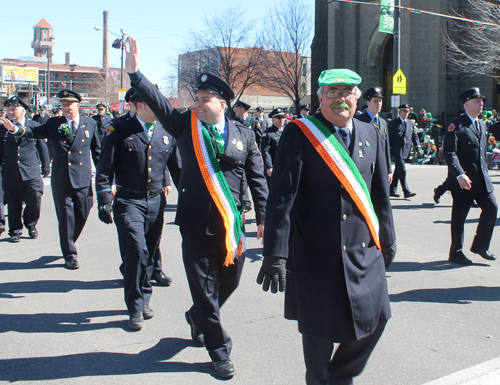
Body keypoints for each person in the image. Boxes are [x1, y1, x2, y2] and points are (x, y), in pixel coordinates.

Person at [125, 37, 268, 378]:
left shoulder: (244, 135)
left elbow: (258, 179)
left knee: (228, 283)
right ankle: (219, 350)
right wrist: (135, 74)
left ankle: (196, 316)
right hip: (194, 225)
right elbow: (159, 103)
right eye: (196, 99)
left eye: (205, 100)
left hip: (231, 226)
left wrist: (265, 217)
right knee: (205, 288)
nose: (198, 104)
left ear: (223, 103)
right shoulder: (184, 126)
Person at [257, 68, 396, 385]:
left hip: (364, 251)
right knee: (319, 336)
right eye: (332, 92)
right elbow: (282, 197)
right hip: (317, 252)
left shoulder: (372, 133)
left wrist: (388, 239)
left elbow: (380, 195)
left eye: (346, 92)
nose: (340, 99)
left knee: (377, 317)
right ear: (319, 97)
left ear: (357, 97)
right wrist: (275, 255)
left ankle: (340, 375)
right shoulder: (300, 132)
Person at [96, 90, 174, 330]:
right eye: (154, 105)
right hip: (128, 200)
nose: (160, 109)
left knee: (149, 252)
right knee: (135, 251)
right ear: (139, 105)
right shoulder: (118, 129)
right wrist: (103, 198)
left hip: (155, 201)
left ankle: (145, 295)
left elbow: (173, 164)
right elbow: (104, 168)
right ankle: (135, 304)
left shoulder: (165, 130)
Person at [0, 90, 101, 269]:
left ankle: (68, 239)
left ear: (78, 105)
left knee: (83, 213)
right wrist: (15, 129)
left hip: (83, 179)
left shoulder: (90, 123)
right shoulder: (54, 123)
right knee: (66, 216)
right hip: (61, 180)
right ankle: (70, 254)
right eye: (63, 105)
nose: (65, 108)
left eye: (69, 104)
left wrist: (105, 176)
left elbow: (97, 151)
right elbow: (33, 132)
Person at [443, 87, 497, 266]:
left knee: (492, 208)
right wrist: (459, 175)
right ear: (466, 104)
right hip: (463, 181)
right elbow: (450, 153)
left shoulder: (482, 124)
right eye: (476, 101)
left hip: (481, 179)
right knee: (459, 218)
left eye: (482, 101)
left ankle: (481, 246)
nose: (481, 104)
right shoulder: (456, 125)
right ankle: (456, 252)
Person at [0, 96, 50, 242]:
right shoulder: (2, 128)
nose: (10, 111)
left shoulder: (34, 126)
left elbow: (42, 147)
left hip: (31, 170)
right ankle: (15, 230)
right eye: (8, 109)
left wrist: (46, 166)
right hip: (11, 170)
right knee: (14, 202)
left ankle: (31, 223)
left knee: (35, 198)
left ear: (22, 111)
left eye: (14, 109)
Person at [355, 86, 392, 183]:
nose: (378, 104)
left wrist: (389, 170)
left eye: (380, 101)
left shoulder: (383, 122)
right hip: (365, 168)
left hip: (380, 167)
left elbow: (386, 147)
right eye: (375, 101)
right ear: (368, 103)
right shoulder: (359, 121)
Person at [388, 104, 422, 198]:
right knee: (402, 169)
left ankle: (392, 189)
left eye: (407, 111)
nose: (406, 113)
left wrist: (418, 148)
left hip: (405, 150)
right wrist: (388, 149)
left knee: (398, 170)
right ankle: (406, 191)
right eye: (404, 111)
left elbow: (414, 136)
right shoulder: (394, 122)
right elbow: (389, 137)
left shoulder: (410, 123)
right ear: (399, 112)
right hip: (396, 149)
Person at [261, 107, 286, 185]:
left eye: (283, 117)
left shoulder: (287, 131)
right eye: (279, 118)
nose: (281, 120)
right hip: (275, 166)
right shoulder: (268, 133)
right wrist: (269, 166)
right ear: (273, 119)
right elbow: (265, 151)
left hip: (286, 166)